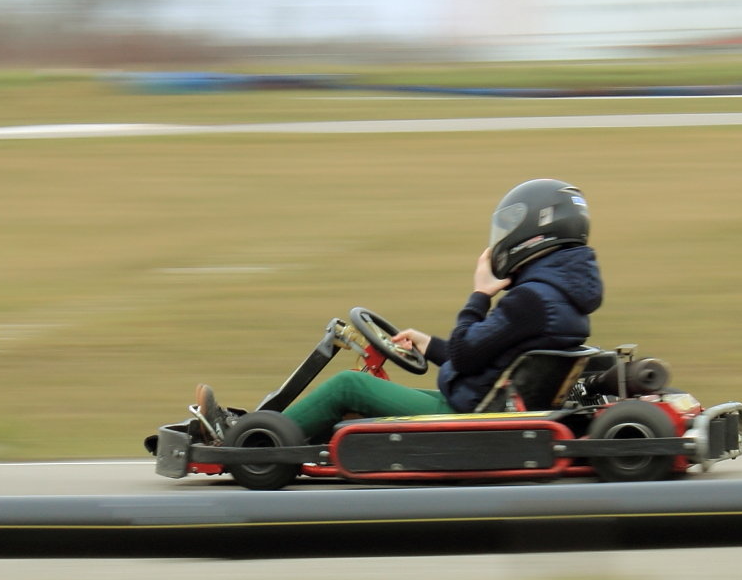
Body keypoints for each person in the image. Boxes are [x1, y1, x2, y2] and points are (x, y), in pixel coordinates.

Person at [196, 177, 604, 443]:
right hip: (485, 404)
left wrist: (479, 295)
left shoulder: (530, 300)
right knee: (362, 393)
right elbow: (487, 354)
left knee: (348, 387)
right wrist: (427, 346)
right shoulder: (560, 297)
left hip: (469, 418)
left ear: (536, 232)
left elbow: (466, 352)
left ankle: (249, 442)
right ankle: (271, 431)